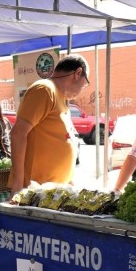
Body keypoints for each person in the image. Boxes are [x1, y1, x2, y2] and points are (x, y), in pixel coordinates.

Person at [9, 54, 88, 194]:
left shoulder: (60, 98)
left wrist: (70, 183)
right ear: (78, 73)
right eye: (85, 84)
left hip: (54, 192)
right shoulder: (44, 90)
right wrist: (18, 186)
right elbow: (18, 134)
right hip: (35, 190)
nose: (83, 89)